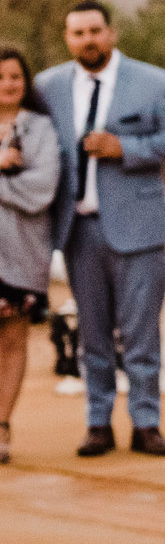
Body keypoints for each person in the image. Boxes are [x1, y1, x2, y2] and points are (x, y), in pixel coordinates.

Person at [38, 0, 165, 457]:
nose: (87, 40)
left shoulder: (153, 82)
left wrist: (123, 147)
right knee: (92, 334)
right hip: (78, 229)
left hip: (138, 227)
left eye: (94, 30)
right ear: (68, 38)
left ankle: (147, 422)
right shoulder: (49, 86)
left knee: (141, 334)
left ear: (111, 32)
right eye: (77, 33)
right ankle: (97, 422)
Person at [0, 47, 62, 464]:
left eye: (15, 77)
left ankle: (2, 425)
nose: (7, 84)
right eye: (0, 77)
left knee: (12, 339)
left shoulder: (41, 128)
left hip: (22, 252)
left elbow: (41, 190)